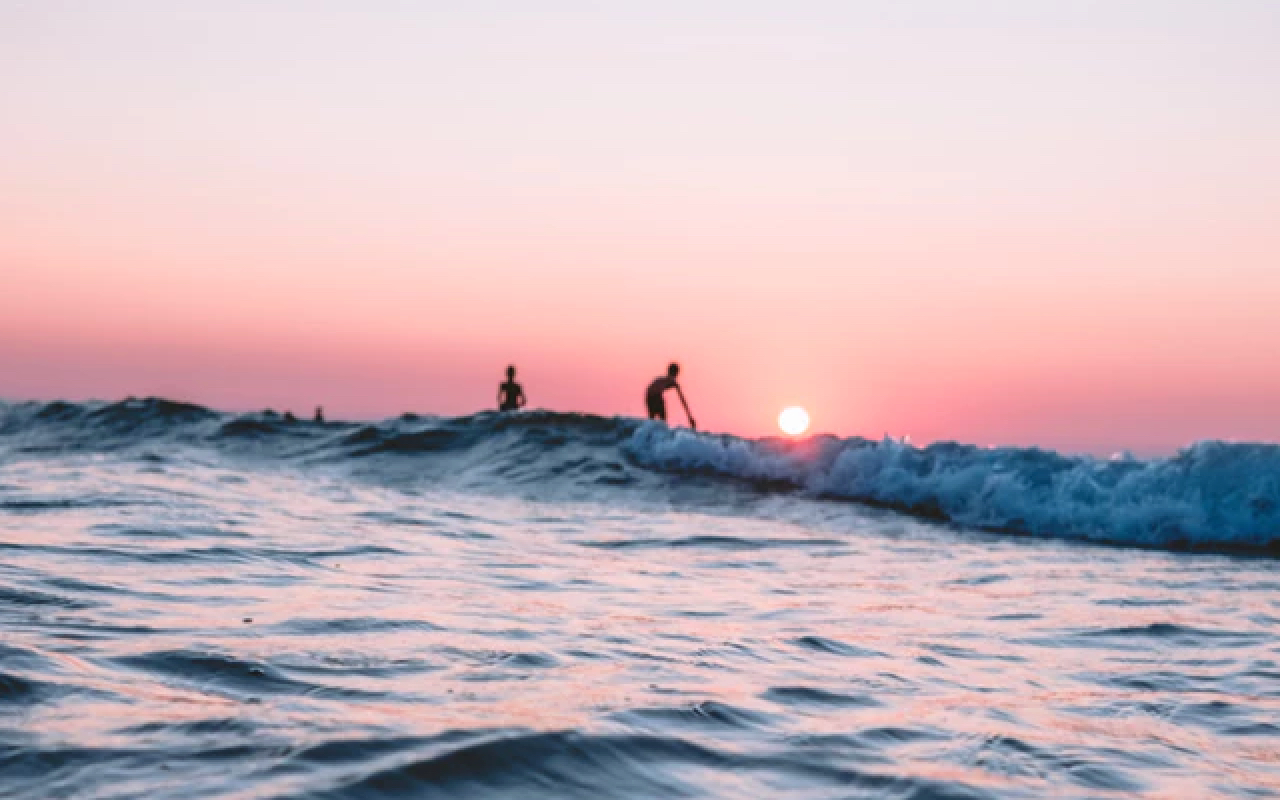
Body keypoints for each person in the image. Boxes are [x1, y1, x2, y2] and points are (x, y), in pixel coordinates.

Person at [645, 362, 695, 430]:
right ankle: (658, 435)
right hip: (655, 396)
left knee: (652, 419)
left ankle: (648, 435)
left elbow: (651, 389)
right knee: (663, 420)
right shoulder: (672, 380)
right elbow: (682, 400)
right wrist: (690, 417)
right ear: (676, 373)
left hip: (648, 396)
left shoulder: (661, 378)